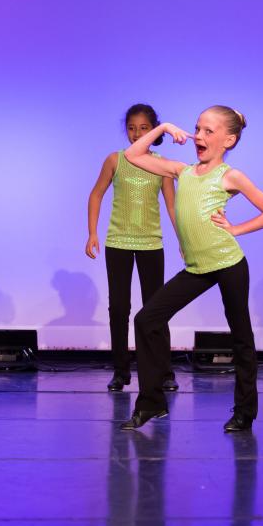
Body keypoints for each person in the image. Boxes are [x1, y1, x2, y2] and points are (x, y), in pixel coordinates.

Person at [117, 106, 263, 433]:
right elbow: (133, 155)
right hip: (197, 268)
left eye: (208, 131)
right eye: (197, 129)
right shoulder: (183, 171)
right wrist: (163, 127)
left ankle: (244, 413)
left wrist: (235, 229)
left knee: (241, 338)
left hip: (228, 264)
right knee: (146, 319)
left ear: (228, 140)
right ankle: (151, 403)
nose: (198, 137)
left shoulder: (230, 176)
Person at [86, 103, 180, 392]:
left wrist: (184, 240)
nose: (137, 133)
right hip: (118, 242)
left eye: (143, 128)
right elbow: (96, 194)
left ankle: (163, 372)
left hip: (151, 243)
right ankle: (121, 371)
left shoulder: (162, 165)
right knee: (119, 308)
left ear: (154, 130)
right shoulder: (115, 160)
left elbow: (172, 205)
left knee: (155, 308)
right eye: (131, 128)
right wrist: (92, 233)